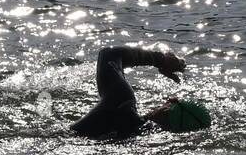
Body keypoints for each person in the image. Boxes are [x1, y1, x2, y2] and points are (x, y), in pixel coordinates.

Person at [72, 45, 211, 139]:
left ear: (171, 103)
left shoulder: (123, 102)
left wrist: (160, 59)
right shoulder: (135, 137)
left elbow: (109, 54)